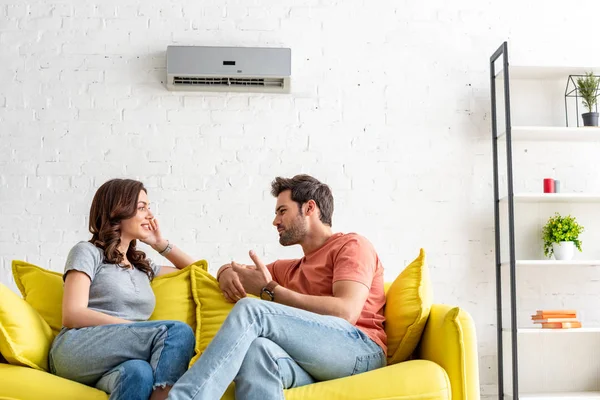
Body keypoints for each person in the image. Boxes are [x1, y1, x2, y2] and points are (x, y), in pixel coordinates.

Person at [168, 174, 387, 400]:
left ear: (310, 208)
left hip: (361, 352)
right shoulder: (289, 269)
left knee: (252, 309)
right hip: (319, 360)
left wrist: (271, 290)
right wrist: (224, 273)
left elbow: (346, 312)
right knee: (257, 352)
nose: (275, 221)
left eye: (282, 211)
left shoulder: (351, 246)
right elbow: (234, 270)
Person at [49, 178, 197, 400]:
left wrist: (159, 244)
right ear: (118, 210)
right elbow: (72, 314)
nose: (150, 214)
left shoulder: (143, 268)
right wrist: (134, 330)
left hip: (118, 363)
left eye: (149, 207)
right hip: (77, 349)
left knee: (139, 373)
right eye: (141, 207)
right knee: (178, 332)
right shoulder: (87, 252)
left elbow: (196, 272)